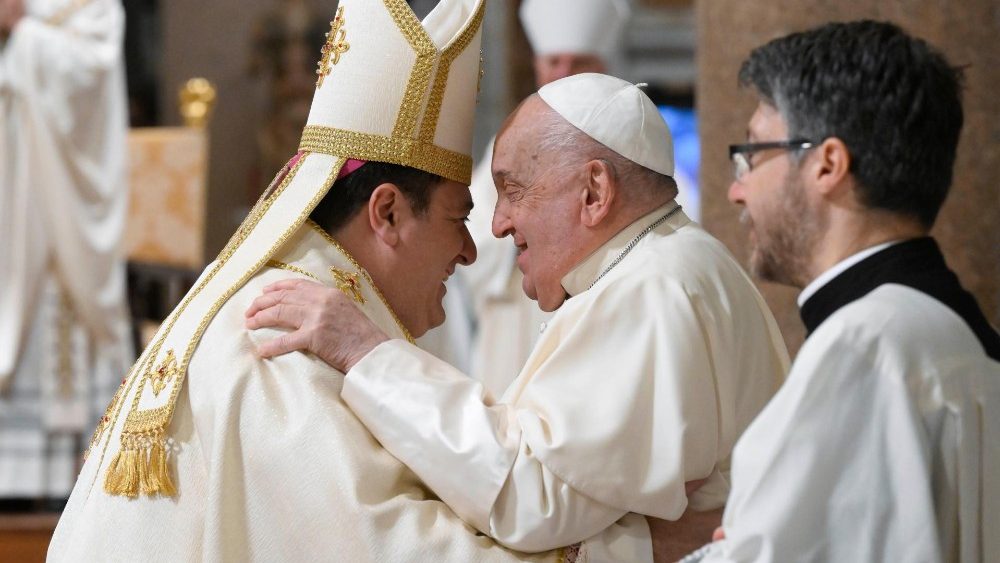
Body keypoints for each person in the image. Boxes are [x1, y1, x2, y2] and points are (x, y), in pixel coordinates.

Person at [47, 0, 564, 560]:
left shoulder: (301, 304)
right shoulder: (282, 336)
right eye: (457, 218)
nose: (469, 251)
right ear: (386, 213)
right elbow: (387, 548)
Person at [246, 73, 791, 561]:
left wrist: (368, 355)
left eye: (512, 191)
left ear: (595, 192)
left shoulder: (650, 289)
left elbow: (528, 495)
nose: (500, 225)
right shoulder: (671, 263)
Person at [697, 20, 1000, 562]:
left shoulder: (866, 343)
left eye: (751, 155)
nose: (735, 190)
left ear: (828, 165)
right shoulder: (948, 325)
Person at [418, 0, 631, 395]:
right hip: (516, 323)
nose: (564, 75)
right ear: (537, 65)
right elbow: (480, 236)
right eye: (554, 62)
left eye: (579, 62)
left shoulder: (631, 148)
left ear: (603, 64)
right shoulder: (515, 141)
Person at [0, 0, 132, 503]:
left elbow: (90, 72)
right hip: (14, 189)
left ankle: (71, 484)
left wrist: (23, 32)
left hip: (65, 202)